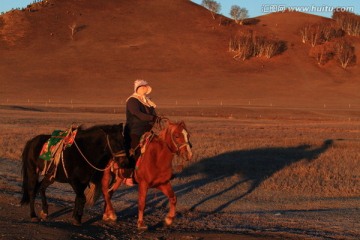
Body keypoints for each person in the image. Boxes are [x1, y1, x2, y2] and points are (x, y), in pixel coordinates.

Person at [122, 79, 158, 186]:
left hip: (147, 131)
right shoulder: (132, 101)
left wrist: (156, 119)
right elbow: (138, 114)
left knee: (157, 149)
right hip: (134, 131)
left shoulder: (148, 101)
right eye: (142, 87)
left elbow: (154, 114)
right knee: (134, 152)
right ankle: (128, 176)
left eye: (145, 87)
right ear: (137, 89)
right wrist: (152, 117)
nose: (144, 88)